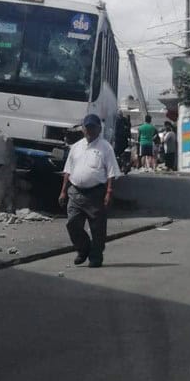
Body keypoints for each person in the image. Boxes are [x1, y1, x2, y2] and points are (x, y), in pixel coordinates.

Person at [58, 113, 119, 268]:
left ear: (99, 129)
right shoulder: (76, 147)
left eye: (93, 127)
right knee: (72, 224)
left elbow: (111, 172)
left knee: (97, 229)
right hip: (75, 192)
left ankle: (96, 256)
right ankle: (83, 248)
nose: (89, 130)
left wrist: (109, 192)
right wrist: (63, 191)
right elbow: (68, 170)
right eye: (87, 127)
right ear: (83, 129)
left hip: (96, 193)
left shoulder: (105, 147)